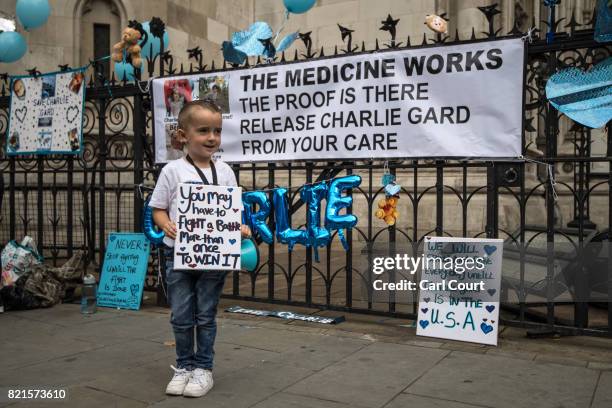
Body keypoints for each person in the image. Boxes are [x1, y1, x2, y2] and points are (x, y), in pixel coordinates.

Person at [149, 99, 250, 398]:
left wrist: (240, 227)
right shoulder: (172, 170)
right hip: (177, 255)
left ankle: (203, 369)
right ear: (183, 135)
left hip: (214, 258)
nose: (212, 138)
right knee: (180, 315)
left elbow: (232, 212)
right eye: (203, 130)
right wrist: (165, 223)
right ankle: (183, 366)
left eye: (217, 131)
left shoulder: (226, 172)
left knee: (205, 315)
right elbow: (158, 208)